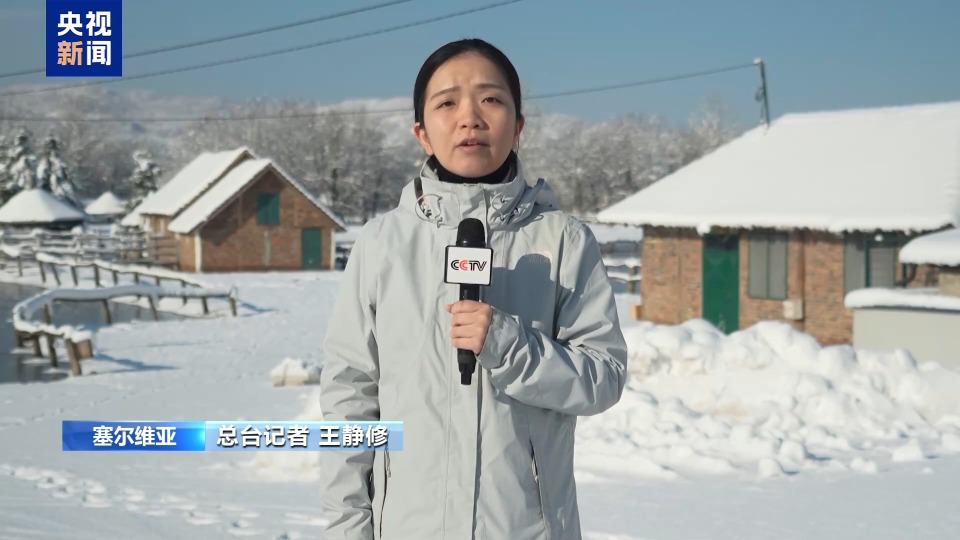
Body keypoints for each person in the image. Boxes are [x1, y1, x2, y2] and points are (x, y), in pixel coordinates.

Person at [319, 38, 628, 540]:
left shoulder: (564, 241)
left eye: (491, 99)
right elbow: (348, 400)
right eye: (447, 103)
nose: (470, 118)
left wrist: (507, 345)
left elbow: (603, 378)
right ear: (422, 133)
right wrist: (347, 530)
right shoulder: (381, 245)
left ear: (518, 125)